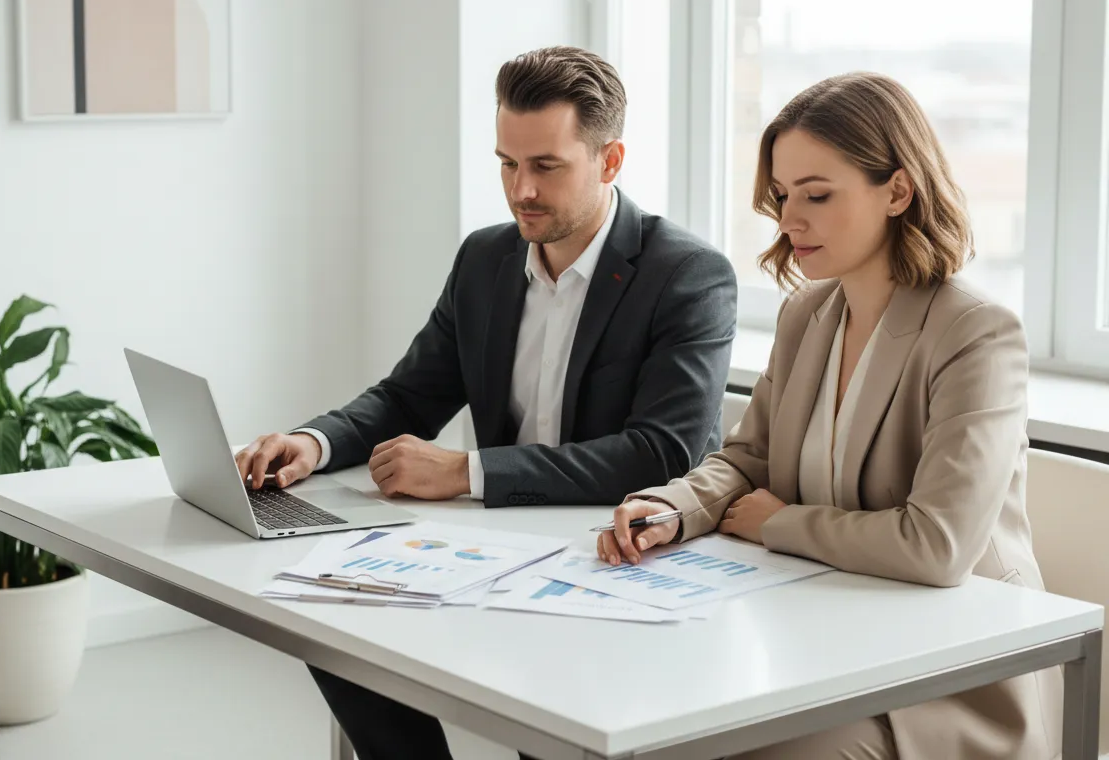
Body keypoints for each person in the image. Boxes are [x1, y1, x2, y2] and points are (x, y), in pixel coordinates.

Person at [236, 45, 737, 760]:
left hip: (621, 560)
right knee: (335, 623)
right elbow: (410, 395)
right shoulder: (485, 259)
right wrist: (310, 444)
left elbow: (663, 453)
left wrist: (468, 473)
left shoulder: (686, 273)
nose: (520, 190)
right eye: (507, 163)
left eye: (545, 166)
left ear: (611, 160)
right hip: (504, 547)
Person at [598, 72, 1059, 760]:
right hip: (828, 642)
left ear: (897, 191)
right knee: (650, 714)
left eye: (817, 195)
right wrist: (673, 508)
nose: (788, 221)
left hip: (954, 670)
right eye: (783, 197)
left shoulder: (976, 332)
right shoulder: (808, 314)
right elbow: (750, 458)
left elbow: (936, 547)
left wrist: (776, 523)